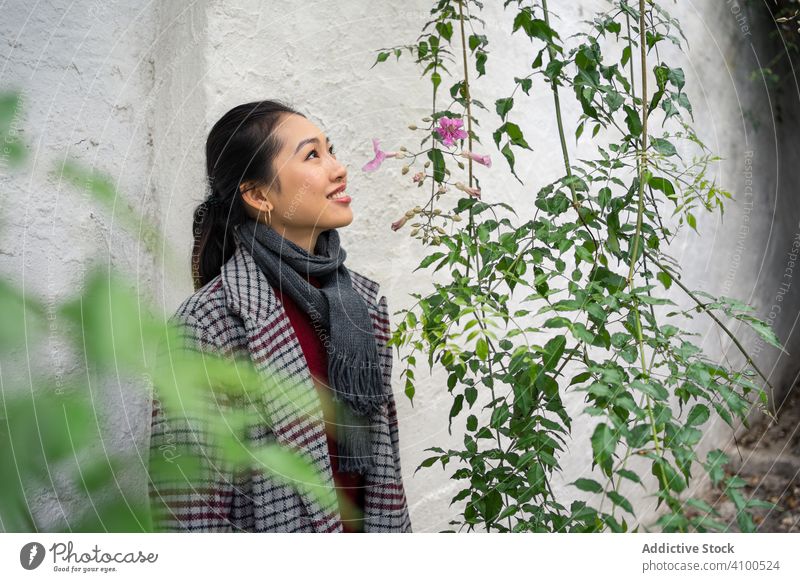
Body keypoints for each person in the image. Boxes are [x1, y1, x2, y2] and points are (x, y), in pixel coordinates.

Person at [147, 100, 412, 533]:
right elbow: (187, 513)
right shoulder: (209, 326)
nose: (339, 168)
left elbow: (383, 478)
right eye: (312, 155)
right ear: (258, 195)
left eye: (331, 150)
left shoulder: (360, 307)